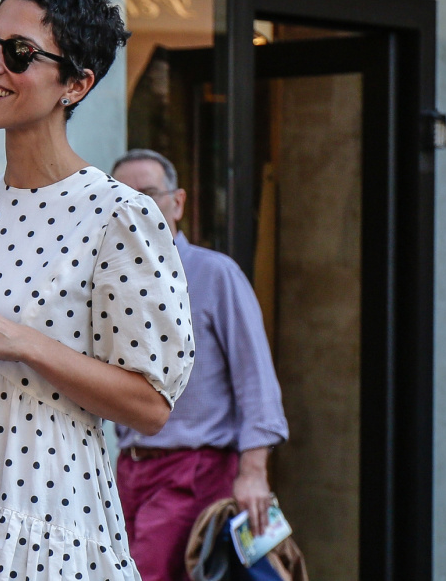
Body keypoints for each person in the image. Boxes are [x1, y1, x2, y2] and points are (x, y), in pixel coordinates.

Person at [0, 0, 195, 580]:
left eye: (19, 52)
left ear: (76, 84)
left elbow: (150, 405)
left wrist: (23, 342)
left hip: (51, 514)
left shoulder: (118, 214)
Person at [110, 149, 289, 581]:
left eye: (148, 195)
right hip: (126, 471)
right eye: (121, 199)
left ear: (177, 203)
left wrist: (254, 474)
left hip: (195, 471)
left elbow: (256, 381)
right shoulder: (108, 282)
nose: (135, 209)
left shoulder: (216, 274)